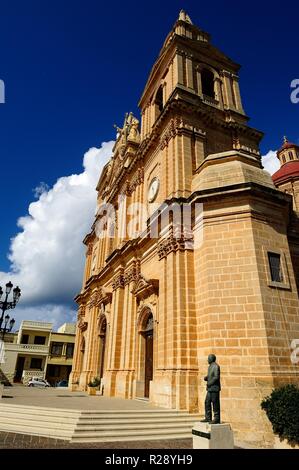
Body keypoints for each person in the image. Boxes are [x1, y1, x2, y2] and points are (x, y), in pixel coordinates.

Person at [200, 354, 221, 424]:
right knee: (207, 402)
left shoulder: (216, 366)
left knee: (215, 403)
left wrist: (210, 383)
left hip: (214, 388)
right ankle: (208, 417)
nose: (207, 360)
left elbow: (216, 377)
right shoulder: (210, 366)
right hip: (210, 389)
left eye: (208, 358)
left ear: (212, 359)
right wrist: (207, 377)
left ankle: (217, 418)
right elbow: (211, 376)